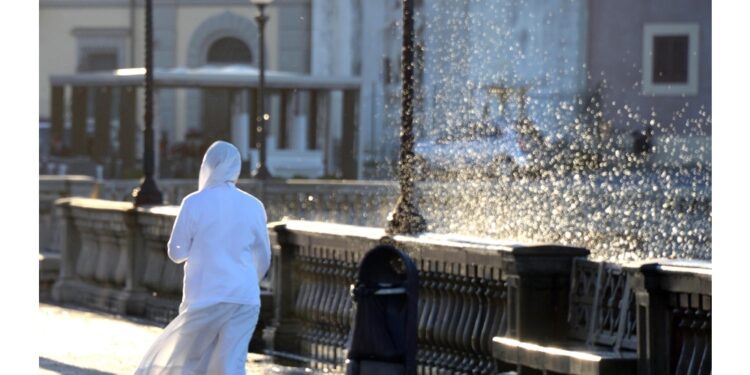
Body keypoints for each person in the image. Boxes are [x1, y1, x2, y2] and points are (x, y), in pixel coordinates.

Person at [135, 141, 272, 375]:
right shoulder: (254, 205)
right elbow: (264, 254)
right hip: (244, 297)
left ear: (207, 166)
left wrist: (201, 250)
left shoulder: (194, 202)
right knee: (231, 364)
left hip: (206, 296)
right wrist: (248, 279)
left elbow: (176, 252)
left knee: (188, 361)